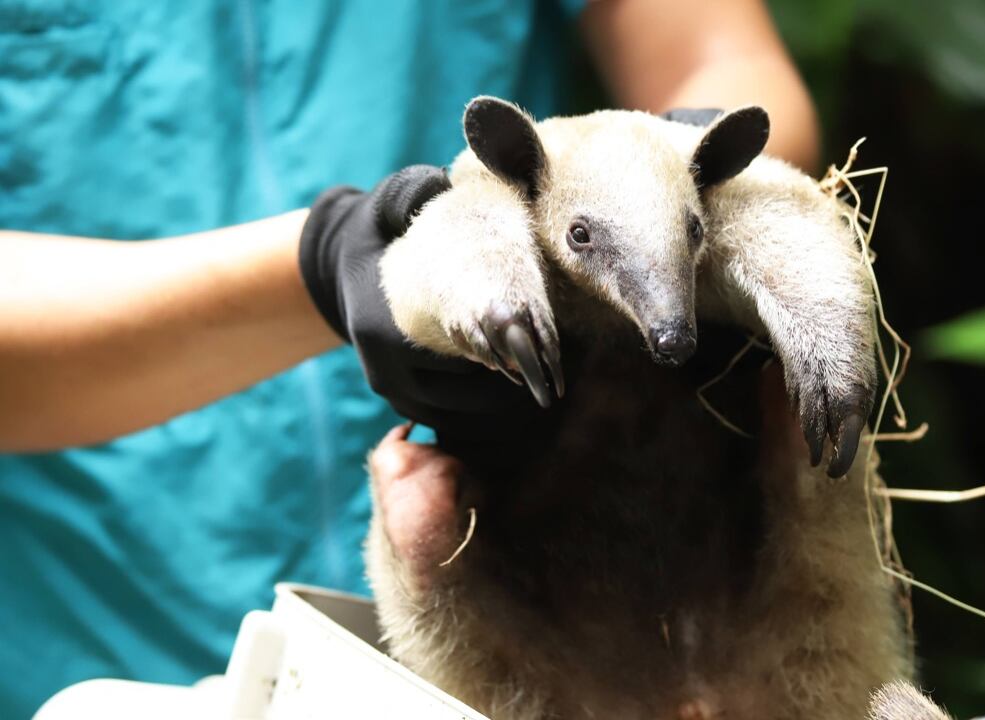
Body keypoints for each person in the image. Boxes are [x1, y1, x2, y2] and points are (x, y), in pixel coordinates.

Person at [0, 1, 819, 716]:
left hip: (549, 592)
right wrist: (326, 264)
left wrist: (674, 187)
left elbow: (721, 58)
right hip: (98, 631)